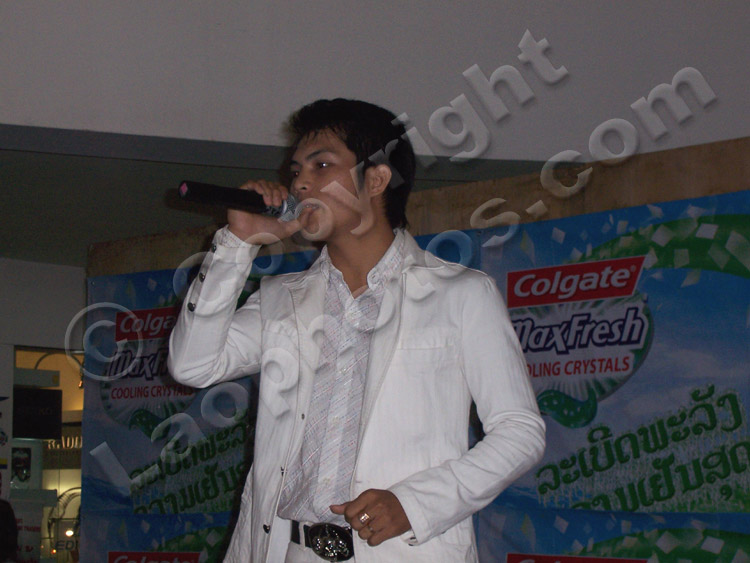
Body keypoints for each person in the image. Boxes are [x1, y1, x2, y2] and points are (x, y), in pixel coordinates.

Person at [168, 98, 545, 562]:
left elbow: (520, 431)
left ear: (377, 179)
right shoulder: (282, 299)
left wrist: (416, 504)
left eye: (322, 165)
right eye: (296, 170)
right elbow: (193, 366)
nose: (299, 182)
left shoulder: (460, 294)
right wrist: (237, 244)